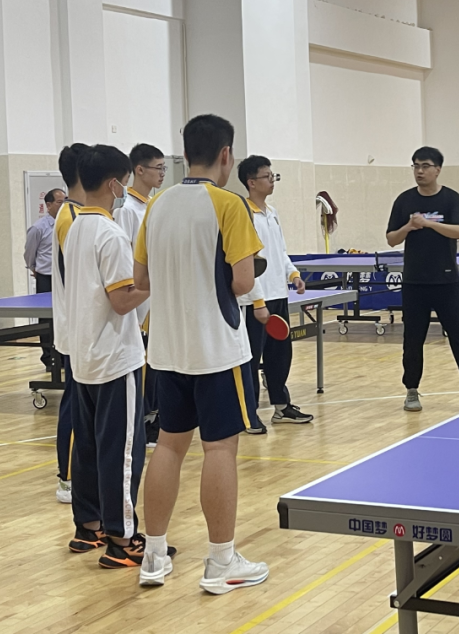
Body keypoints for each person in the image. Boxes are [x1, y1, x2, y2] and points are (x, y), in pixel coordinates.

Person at [134, 114, 269, 593]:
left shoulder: (157, 204)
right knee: (219, 449)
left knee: (169, 446)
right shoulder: (229, 204)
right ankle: (221, 561)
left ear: (184, 153)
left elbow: (141, 280)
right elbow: (243, 282)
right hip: (216, 350)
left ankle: (153, 557)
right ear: (226, 155)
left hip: (165, 350)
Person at [65, 145, 151, 569]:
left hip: (83, 355)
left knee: (88, 447)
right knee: (122, 451)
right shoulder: (110, 234)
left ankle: (89, 526)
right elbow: (122, 301)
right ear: (116, 183)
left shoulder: (75, 227)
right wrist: (159, 281)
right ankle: (122, 539)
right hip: (115, 358)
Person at [386, 147, 459, 413]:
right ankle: (411, 390)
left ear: (437, 169)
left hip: (446, 282)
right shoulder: (404, 200)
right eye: (415, 166)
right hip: (414, 283)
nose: (419, 171)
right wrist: (409, 226)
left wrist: (429, 224)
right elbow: (391, 239)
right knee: (413, 341)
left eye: (425, 166)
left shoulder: (451, 199)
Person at [237, 155, 313, 428]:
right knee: (251, 359)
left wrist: (293, 274)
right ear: (251, 182)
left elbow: (280, 251)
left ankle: (281, 407)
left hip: (278, 295)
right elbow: (246, 260)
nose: (272, 181)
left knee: (280, 355)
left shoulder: (272, 212)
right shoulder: (243, 214)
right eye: (267, 176)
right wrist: (257, 300)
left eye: (273, 176)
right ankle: (248, 414)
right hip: (254, 300)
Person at [114, 143, 167, 447]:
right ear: (139, 170)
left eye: (164, 168)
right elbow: (126, 261)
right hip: (140, 304)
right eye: (158, 168)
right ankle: (144, 423)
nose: (162, 173)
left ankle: (157, 416)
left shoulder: (156, 206)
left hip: (159, 300)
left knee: (159, 364)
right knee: (144, 367)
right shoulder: (126, 211)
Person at [53, 144, 89, 505]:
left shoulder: (79, 212)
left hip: (83, 329)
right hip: (76, 329)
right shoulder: (71, 217)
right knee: (75, 404)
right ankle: (66, 478)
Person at [24, 188, 65, 371]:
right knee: (46, 319)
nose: (64, 205)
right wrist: (34, 268)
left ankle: (64, 355)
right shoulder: (38, 228)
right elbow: (29, 252)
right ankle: (49, 357)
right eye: (59, 202)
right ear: (48, 205)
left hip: (64, 278)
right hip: (46, 278)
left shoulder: (70, 223)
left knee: (64, 316)